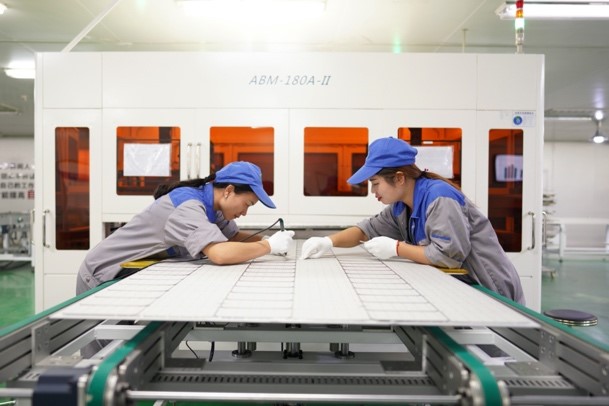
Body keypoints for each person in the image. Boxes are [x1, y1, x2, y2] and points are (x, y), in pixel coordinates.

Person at [300, 137, 525, 305]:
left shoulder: (439, 198)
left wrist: (397, 248)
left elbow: (447, 257)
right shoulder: (400, 206)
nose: (372, 191)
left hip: (489, 288)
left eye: (376, 183)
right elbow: (366, 230)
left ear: (399, 178)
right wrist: (328, 241)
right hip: (462, 289)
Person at [76, 161, 294, 295]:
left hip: (132, 272)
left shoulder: (215, 206)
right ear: (228, 190)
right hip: (103, 275)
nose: (245, 212)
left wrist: (269, 239)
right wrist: (268, 246)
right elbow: (219, 253)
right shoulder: (188, 206)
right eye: (247, 204)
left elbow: (233, 236)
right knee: (106, 357)